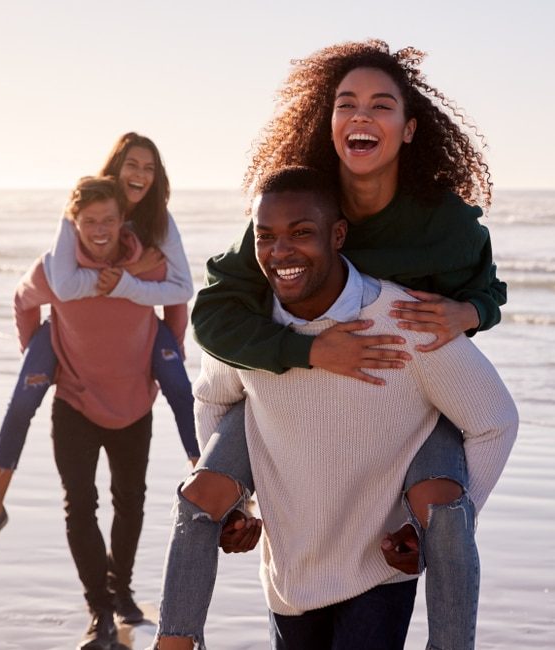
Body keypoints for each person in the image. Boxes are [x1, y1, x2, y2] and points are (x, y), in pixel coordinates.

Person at [188, 40, 504, 649]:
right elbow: (215, 314)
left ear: (409, 129)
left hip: (407, 404)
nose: (361, 116)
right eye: (346, 103)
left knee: (439, 519)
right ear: (327, 122)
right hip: (309, 416)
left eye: (381, 106)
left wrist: (470, 310)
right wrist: (311, 351)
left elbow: (489, 290)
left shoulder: (446, 224)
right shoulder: (295, 210)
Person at [0, 133, 200, 577]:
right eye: (133, 164)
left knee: (180, 390)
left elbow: (181, 291)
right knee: (21, 403)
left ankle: (212, 488)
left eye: (150, 168)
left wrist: (162, 336)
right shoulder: (77, 213)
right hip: (63, 333)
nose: (141, 175)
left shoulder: (157, 222)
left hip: (141, 331)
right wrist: (44, 348)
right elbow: (63, 286)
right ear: (116, 166)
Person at [9, 176, 187, 649]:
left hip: (134, 402)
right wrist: (37, 354)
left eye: (109, 219)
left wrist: (169, 348)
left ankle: (122, 592)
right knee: (80, 506)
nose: (100, 229)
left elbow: (178, 298)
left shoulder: (146, 264)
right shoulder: (57, 271)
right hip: (73, 404)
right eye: (90, 222)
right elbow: (23, 300)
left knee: (130, 501)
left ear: (122, 219)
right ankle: (99, 609)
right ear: (75, 223)